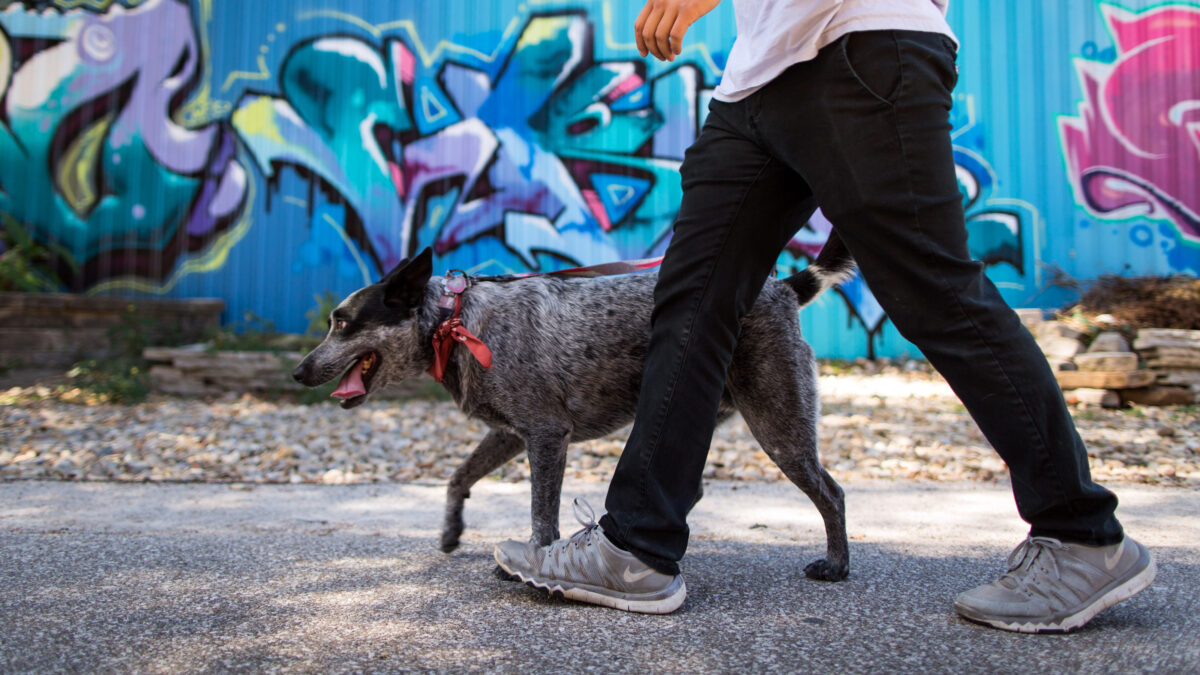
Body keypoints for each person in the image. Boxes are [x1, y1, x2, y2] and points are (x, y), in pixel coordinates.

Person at [494, 0, 1156, 632]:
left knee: (934, 293)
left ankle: (1080, 534)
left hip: (864, 45)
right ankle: (635, 546)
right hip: (757, 76)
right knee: (691, 301)